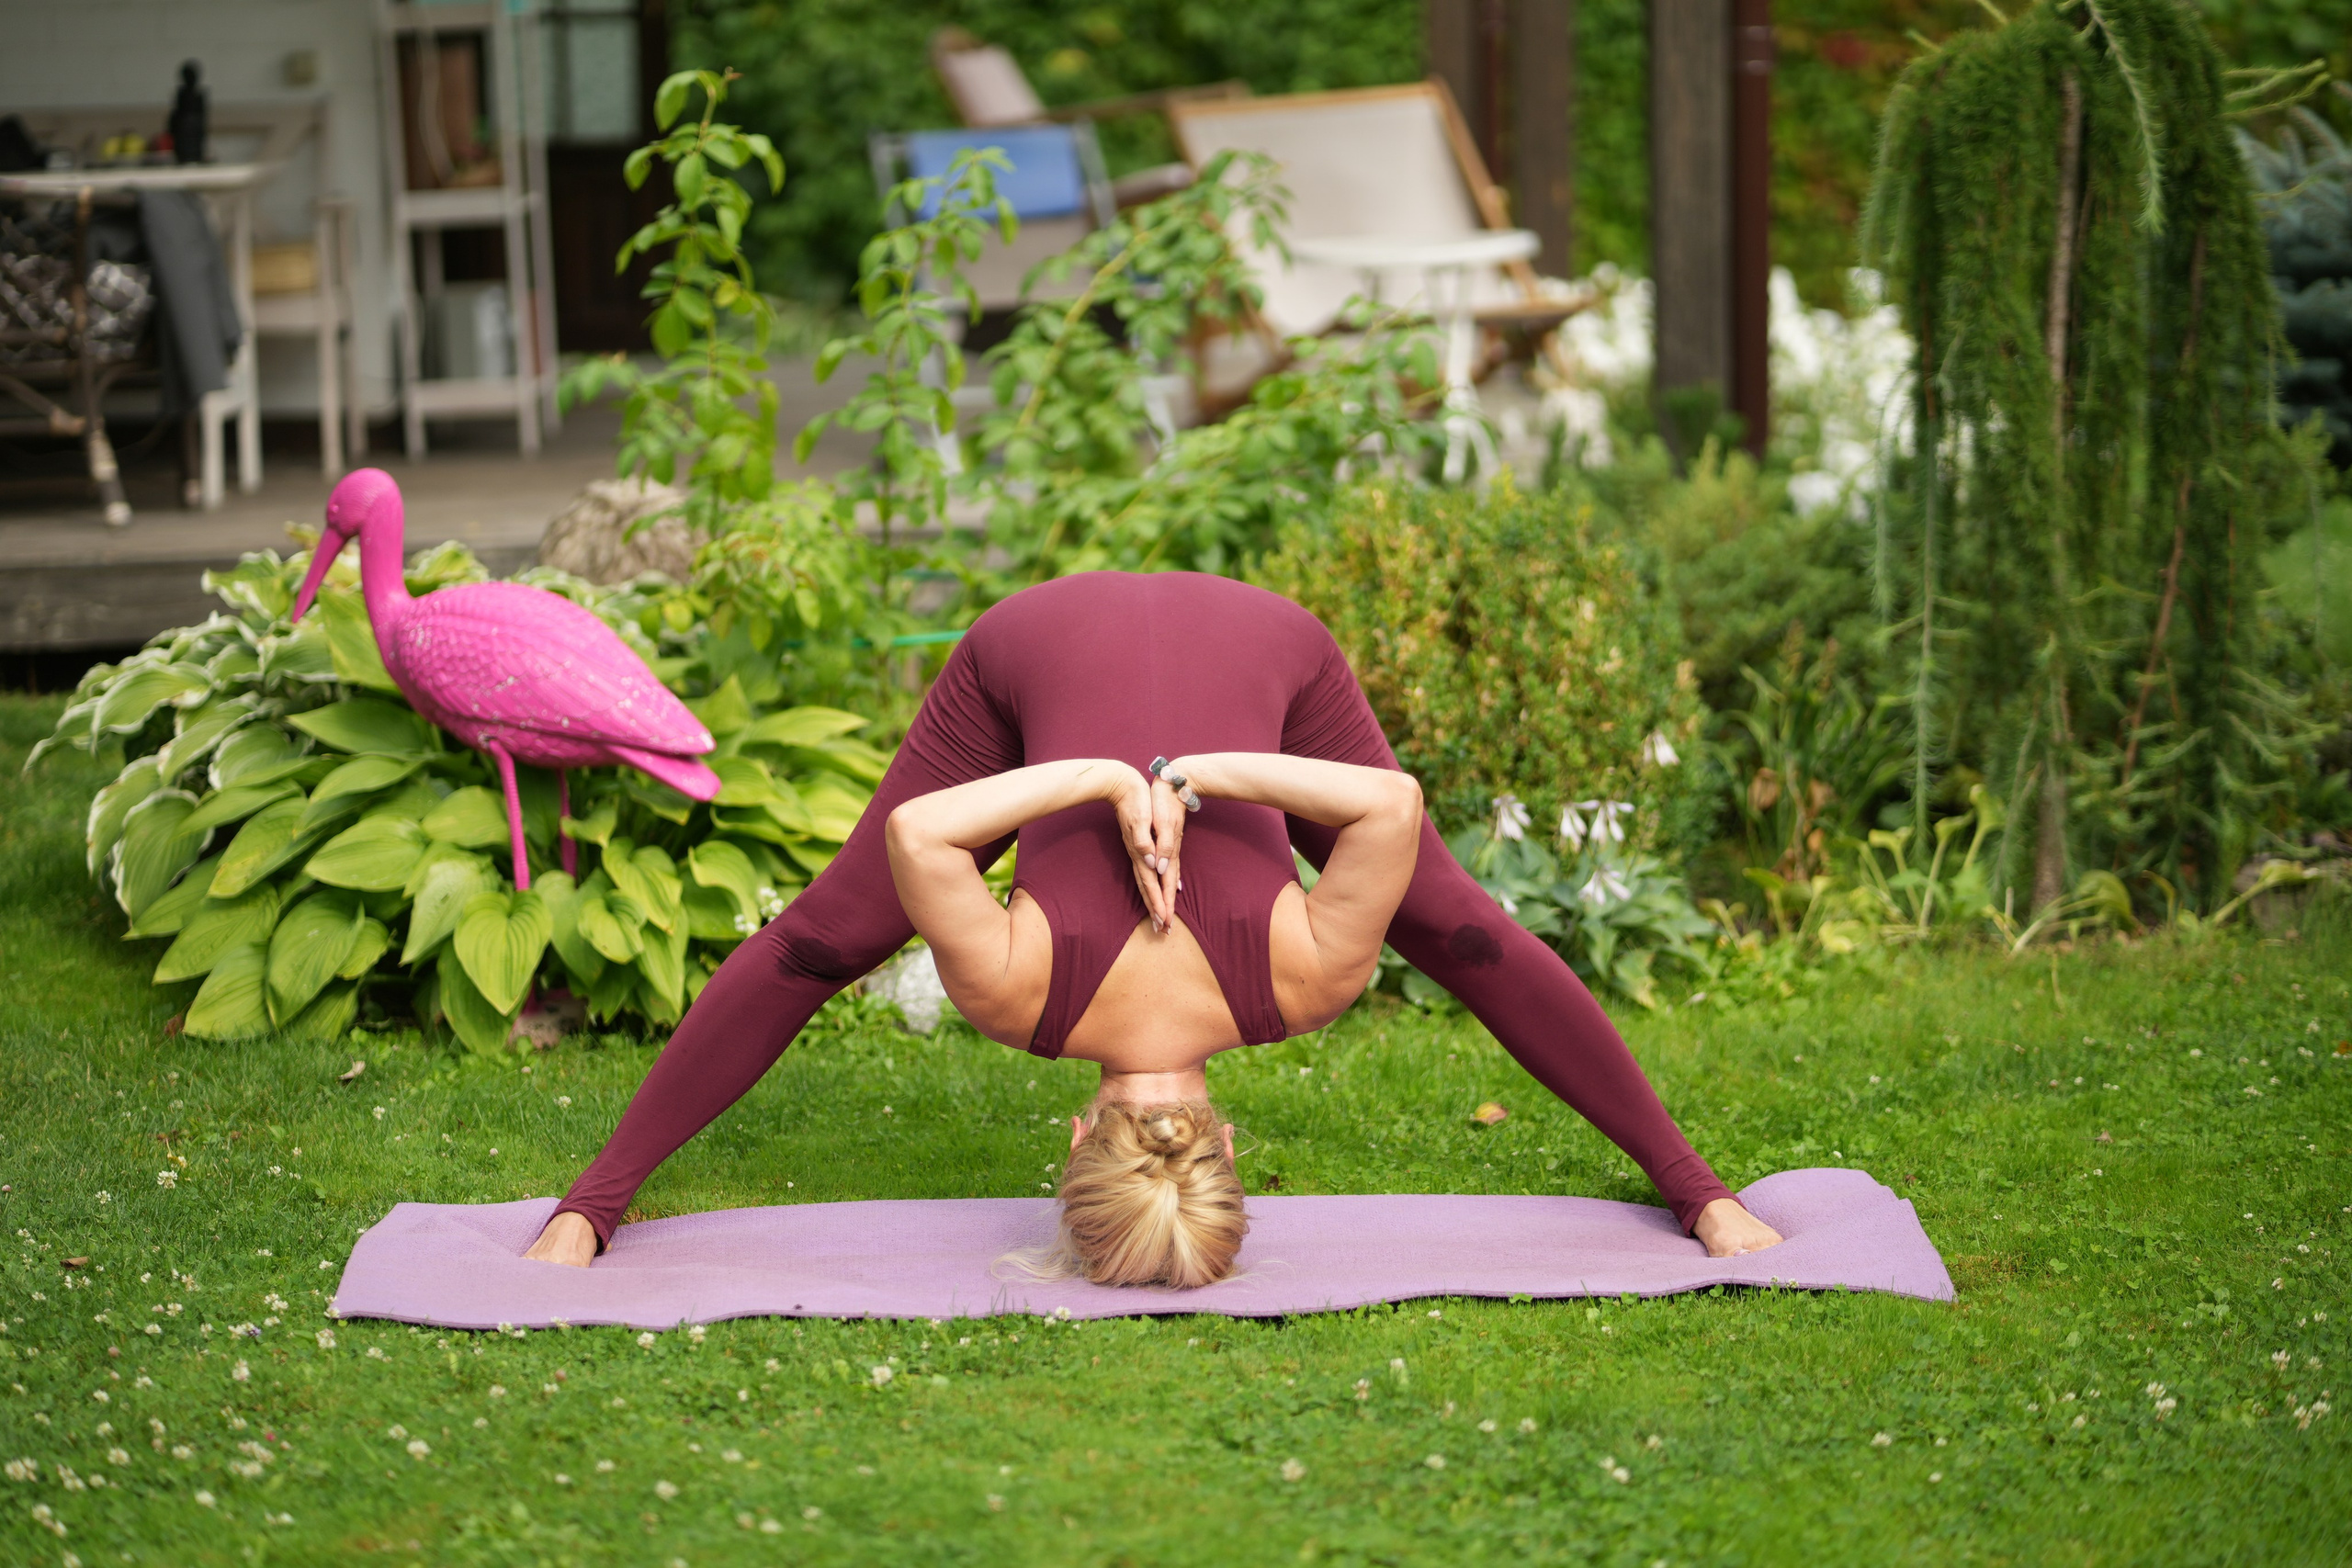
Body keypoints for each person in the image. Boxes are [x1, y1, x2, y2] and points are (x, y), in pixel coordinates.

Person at [524, 572, 1782, 1279]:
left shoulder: (1303, 984)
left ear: (1230, 1141)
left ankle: (1706, 1199)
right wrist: (1171, 774)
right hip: (1171, 645)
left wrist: (1123, 778)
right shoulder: (1020, 997)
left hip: (1162, 640)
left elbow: (1385, 809)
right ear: (1076, 1139)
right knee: (823, 941)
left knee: (1456, 931)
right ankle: (586, 1213)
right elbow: (927, 840)